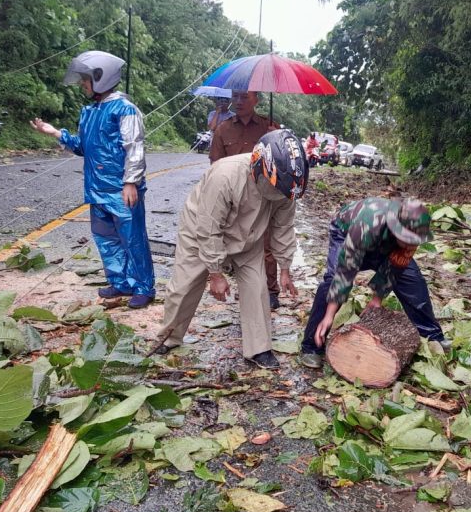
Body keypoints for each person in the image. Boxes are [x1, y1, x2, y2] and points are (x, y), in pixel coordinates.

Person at [155, 129, 308, 369]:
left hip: (249, 235)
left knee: (257, 288)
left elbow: (283, 228)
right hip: (201, 228)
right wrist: (215, 273)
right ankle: (168, 337)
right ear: (259, 168)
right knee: (184, 286)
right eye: (276, 190)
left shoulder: (288, 187)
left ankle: (259, 349)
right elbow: (208, 228)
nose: (281, 197)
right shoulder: (225, 176)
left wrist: (285, 267)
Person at [30, 50, 155, 309]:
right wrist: (55, 133)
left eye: (86, 79)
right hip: (97, 189)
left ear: (102, 77)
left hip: (121, 189)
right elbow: (82, 147)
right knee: (106, 238)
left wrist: (130, 181)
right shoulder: (89, 112)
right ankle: (120, 282)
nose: (82, 84)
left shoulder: (125, 109)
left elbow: (134, 148)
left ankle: (144, 287)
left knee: (132, 239)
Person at [299, 197, 450, 369]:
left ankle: (433, 336)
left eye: (413, 240)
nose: (410, 244)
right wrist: (329, 316)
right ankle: (311, 346)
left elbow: (396, 266)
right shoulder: (366, 227)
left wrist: (377, 298)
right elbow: (344, 272)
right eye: (407, 239)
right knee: (331, 281)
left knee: (412, 280)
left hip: (384, 240)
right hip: (346, 232)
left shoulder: (414, 232)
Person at [209, 89, 285, 310]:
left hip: (262, 195)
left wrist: (275, 138)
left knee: (266, 243)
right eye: (236, 97)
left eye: (245, 97)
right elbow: (215, 167)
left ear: (256, 100)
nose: (239, 101)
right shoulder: (223, 129)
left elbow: (282, 164)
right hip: (233, 196)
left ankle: (271, 291)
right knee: (239, 244)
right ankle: (247, 288)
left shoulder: (269, 127)